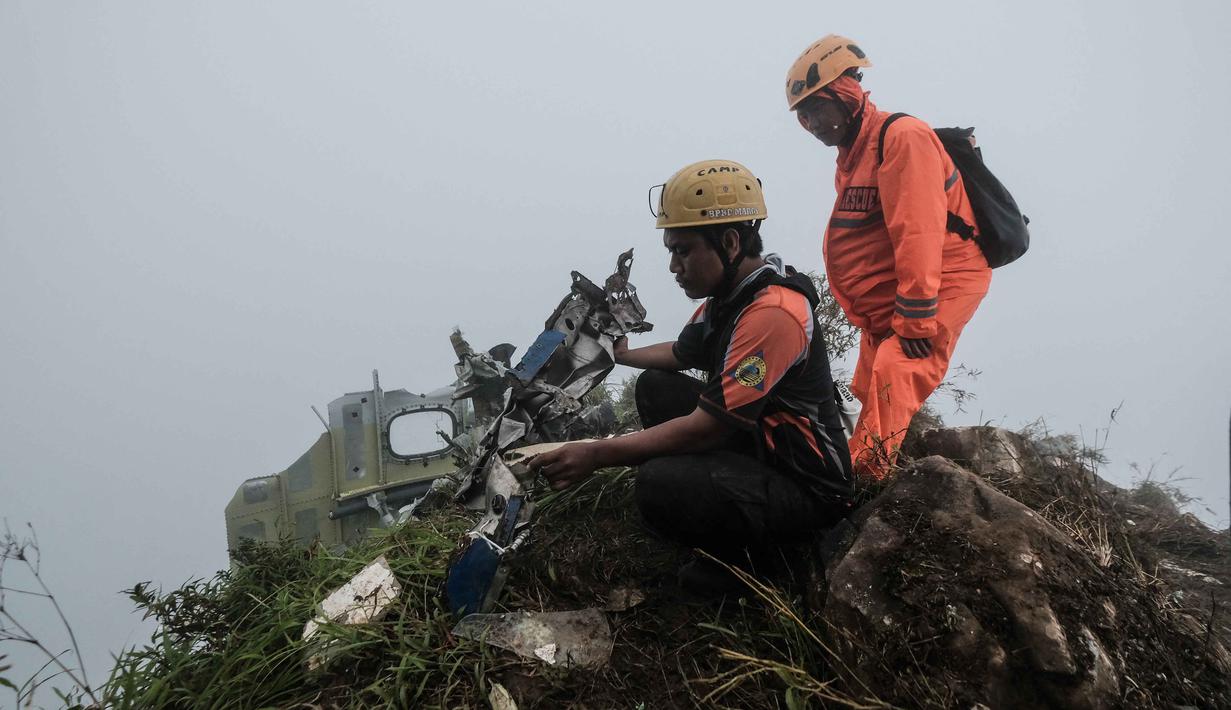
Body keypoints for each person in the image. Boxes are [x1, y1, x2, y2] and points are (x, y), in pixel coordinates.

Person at [530, 159, 852, 591]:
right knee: (655, 388)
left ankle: (768, 567)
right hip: (766, 446)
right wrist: (624, 355)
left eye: (683, 250)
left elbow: (705, 429)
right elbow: (682, 354)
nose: (674, 267)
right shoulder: (730, 296)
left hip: (810, 489)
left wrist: (595, 453)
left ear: (730, 242)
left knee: (659, 482)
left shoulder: (773, 313)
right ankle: (720, 508)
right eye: (671, 252)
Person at [785, 35, 992, 479]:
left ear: (847, 95)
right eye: (803, 116)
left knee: (897, 369)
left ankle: (865, 482)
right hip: (897, 290)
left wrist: (917, 319)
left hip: (945, 278)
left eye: (817, 108)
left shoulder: (902, 137)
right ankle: (866, 455)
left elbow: (917, 231)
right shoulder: (853, 153)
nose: (812, 123)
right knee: (869, 380)